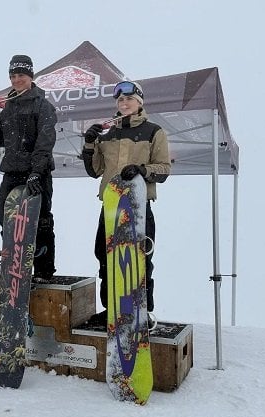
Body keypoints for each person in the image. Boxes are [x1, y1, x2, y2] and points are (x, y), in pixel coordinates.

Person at [81, 80, 171, 326]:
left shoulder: (153, 131)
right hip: (110, 205)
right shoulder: (107, 133)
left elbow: (164, 169)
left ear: (139, 102)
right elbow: (94, 170)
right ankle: (111, 308)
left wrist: (142, 170)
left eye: (129, 99)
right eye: (120, 99)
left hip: (138, 206)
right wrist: (89, 144)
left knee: (139, 258)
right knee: (105, 256)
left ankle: (143, 311)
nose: (124, 103)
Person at [0, 54, 58, 282]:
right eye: (13, 76)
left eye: (21, 75)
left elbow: (45, 142)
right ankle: (12, 265)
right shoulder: (7, 106)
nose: (17, 80)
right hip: (11, 172)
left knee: (40, 220)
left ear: (30, 76)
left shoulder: (43, 105)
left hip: (37, 173)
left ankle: (43, 271)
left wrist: (36, 172)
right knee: (7, 220)